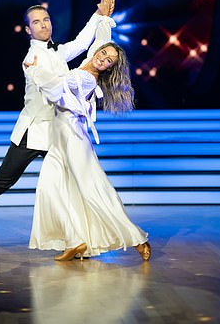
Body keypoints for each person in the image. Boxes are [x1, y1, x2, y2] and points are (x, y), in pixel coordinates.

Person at [0, 0, 116, 254]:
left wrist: (100, 17)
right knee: (1, 182)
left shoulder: (58, 51)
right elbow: (53, 87)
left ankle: (78, 242)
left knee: (73, 182)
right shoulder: (31, 59)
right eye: (37, 22)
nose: (44, 25)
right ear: (28, 30)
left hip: (60, 131)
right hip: (34, 131)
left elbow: (83, 42)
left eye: (46, 20)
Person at [23, 16, 151, 262]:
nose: (102, 58)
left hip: (72, 138)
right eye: (103, 54)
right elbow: (96, 43)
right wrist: (102, 18)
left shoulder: (84, 78)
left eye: (108, 61)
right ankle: (76, 241)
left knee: (92, 190)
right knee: (52, 187)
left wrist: (35, 71)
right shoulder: (87, 65)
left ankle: (136, 238)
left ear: (109, 68)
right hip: (59, 137)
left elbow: (56, 89)